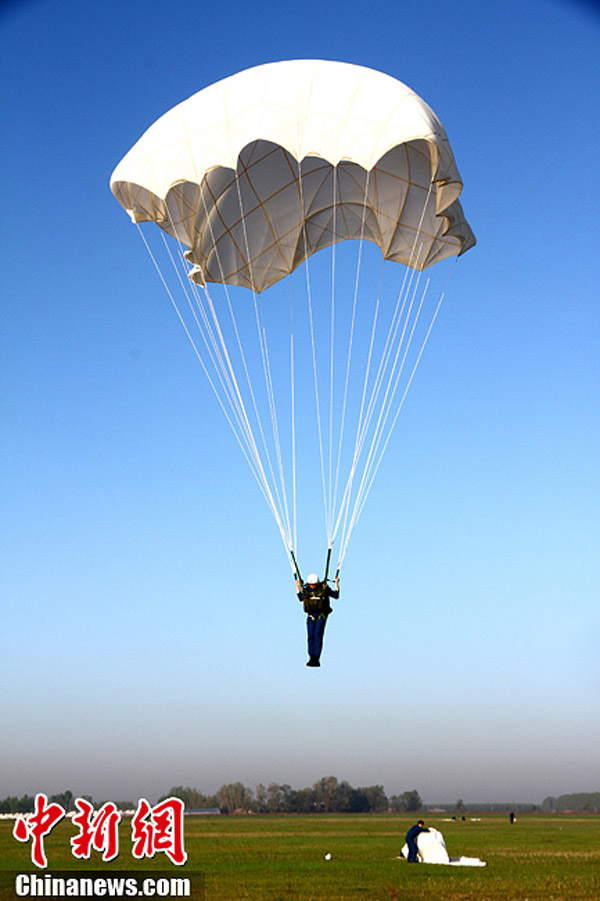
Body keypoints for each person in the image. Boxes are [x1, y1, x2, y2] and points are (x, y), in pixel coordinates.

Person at [296, 573, 339, 667]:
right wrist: (297, 586)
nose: (312, 586)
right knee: (311, 636)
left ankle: (316, 658)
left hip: (321, 615)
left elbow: (336, 595)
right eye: (311, 584)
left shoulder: (323, 589)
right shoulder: (306, 590)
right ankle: (311, 657)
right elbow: (300, 598)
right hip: (310, 616)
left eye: (314, 585)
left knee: (318, 636)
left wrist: (336, 584)